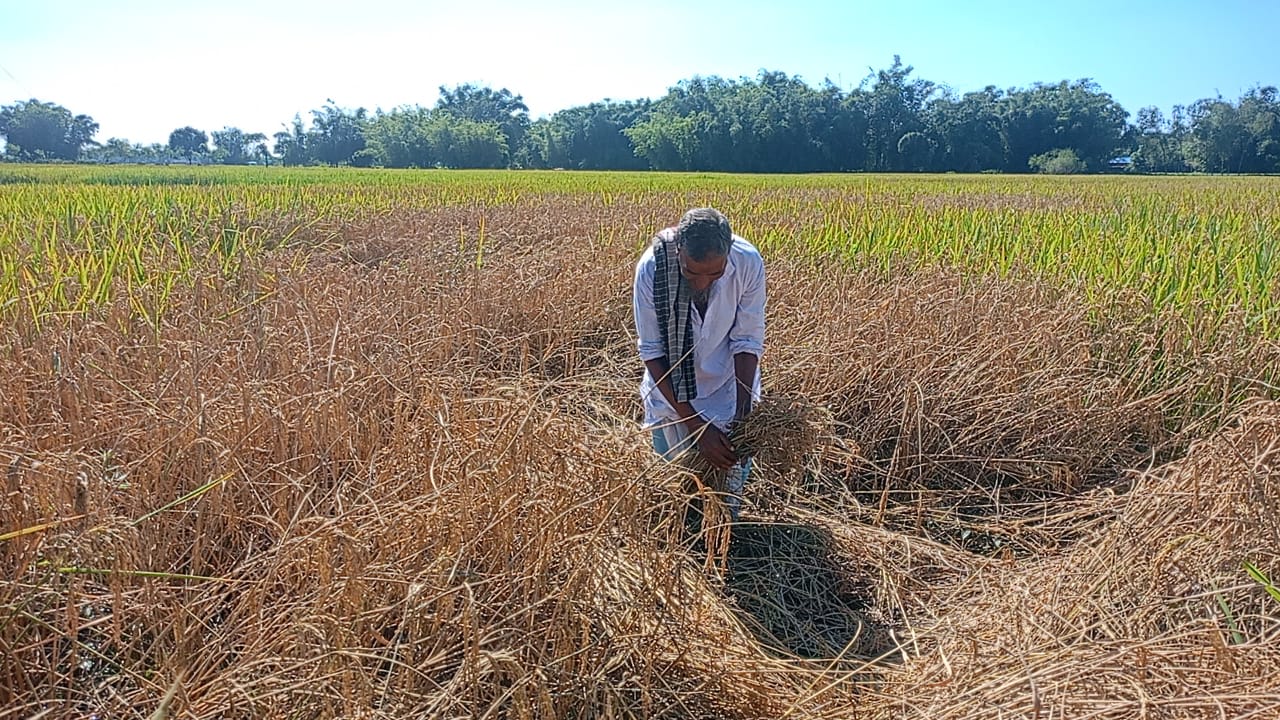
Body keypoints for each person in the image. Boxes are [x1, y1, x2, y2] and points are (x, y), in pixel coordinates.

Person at [633, 207, 765, 520]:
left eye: (715, 274)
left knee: (723, 508)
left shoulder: (747, 262)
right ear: (678, 251)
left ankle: (717, 557)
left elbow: (747, 340)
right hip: (672, 399)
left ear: (728, 254)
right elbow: (652, 352)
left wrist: (743, 416)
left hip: (727, 391)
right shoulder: (653, 270)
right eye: (692, 273)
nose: (703, 283)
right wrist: (696, 426)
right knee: (674, 501)